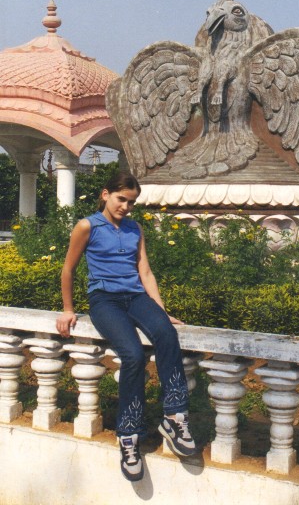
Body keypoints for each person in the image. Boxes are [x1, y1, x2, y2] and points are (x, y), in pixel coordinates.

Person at [56, 172, 196, 482]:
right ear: (105, 194)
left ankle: (175, 416)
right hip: (104, 300)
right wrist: (68, 309)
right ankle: (129, 436)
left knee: (166, 333)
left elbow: (145, 271)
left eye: (131, 202)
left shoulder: (135, 228)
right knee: (132, 354)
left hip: (135, 297)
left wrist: (161, 311)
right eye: (122, 199)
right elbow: (68, 269)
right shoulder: (87, 226)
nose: (126, 207)